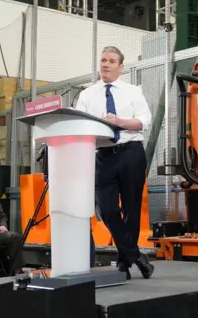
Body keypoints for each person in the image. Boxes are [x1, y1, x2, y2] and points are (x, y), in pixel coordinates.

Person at [75, 46, 154, 280]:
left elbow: (144, 121)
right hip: (103, 156)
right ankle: (136, 256)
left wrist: (119, 122)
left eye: (111, 61)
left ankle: (123, 265)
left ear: (120, 67)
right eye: (102, 60)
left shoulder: (132, 92)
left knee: (131, 210)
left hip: (131, 152)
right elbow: (79, 124)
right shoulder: (87, 95)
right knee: (107, 209)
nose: (105, 64)